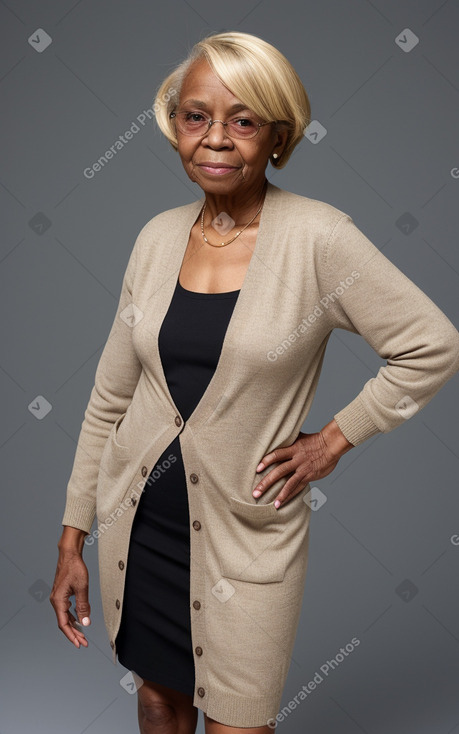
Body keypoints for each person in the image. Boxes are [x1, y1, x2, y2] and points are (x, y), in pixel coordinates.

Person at [50, 30, 459, 734]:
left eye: (241, 120)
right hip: (139, 526)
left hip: (245, 536)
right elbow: (109, 400)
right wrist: (72, 538)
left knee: (240, 723)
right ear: (174, 126)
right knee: (155, 699)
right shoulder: (154, 239)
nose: (214, 138)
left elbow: (430, 343)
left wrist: (333, 440)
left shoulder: (319, 239)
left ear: (278, 135)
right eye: (195, 116)